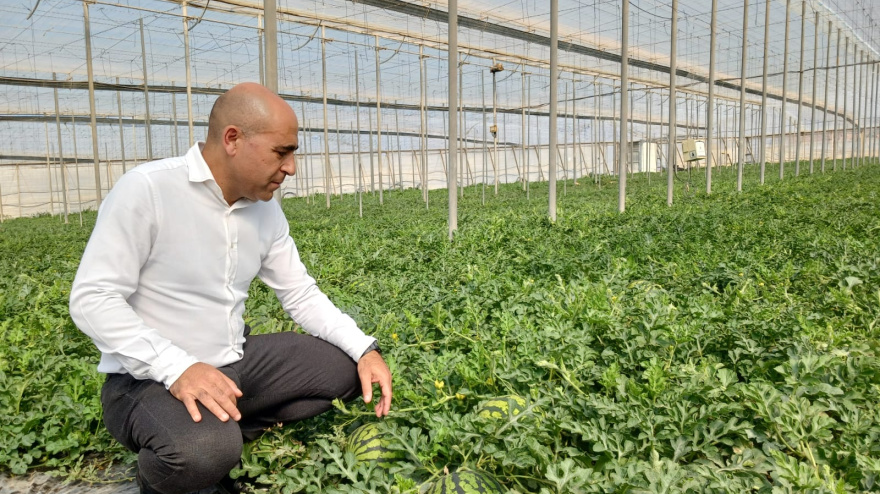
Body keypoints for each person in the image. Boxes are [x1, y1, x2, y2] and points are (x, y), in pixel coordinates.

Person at [69, 82, 392, 494]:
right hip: (146, 382)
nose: (291, 168)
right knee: (203, 451)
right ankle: (169, 470)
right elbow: (92, 299)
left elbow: (300, 293)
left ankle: (226, 430)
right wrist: (178, 368)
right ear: (233, 139)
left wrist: (365, 350)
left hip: (233, 363)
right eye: (282, 152)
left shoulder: (265, 211)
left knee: (345, 368)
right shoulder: (148, 190)